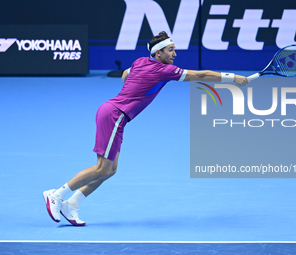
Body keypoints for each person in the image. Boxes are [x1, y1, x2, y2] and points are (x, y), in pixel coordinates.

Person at [43, 31, 249, 226]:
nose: (175, 54)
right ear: (158, 53)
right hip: (114, 115)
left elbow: (125, 74)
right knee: (101, 168)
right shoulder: (165, 70)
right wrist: (233, 78)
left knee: (111, 170)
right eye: (171, 50)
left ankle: (72, 204)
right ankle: (57, 195)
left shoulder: (141, 61)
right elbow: (201, 75)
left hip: (114, 115)